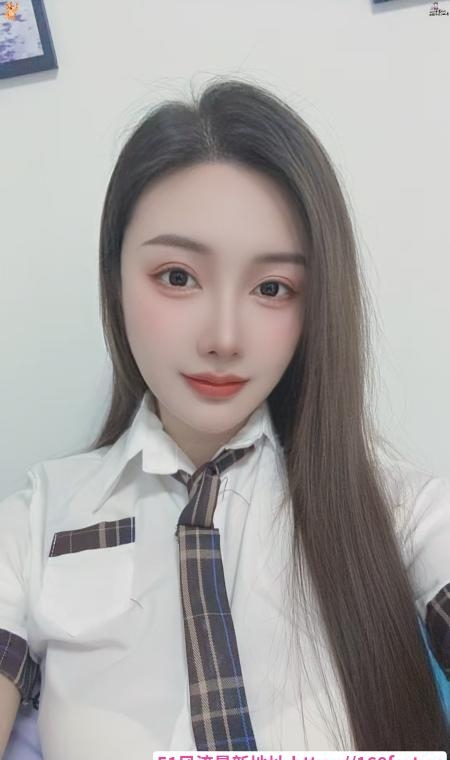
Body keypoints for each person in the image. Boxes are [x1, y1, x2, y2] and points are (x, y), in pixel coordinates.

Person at [0, 77, 449, 758]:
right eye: (178, 277)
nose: (224, 338)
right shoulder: (37, 522)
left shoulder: (399, 511)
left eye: (272, 288)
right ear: (114, 277)